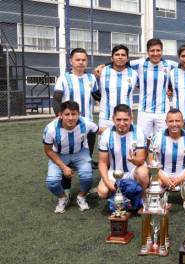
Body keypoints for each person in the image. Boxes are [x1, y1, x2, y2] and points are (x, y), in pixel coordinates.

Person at [53, 48, 100, 190]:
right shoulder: (64, 78)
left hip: (88, 126)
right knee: (66, 160)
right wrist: (60, 119)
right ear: (71, 61)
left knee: (86, 159)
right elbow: (56, 100)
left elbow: (99, 97)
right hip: (69, 126)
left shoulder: (91, 78)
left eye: (83, 60)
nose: (81, 62)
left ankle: (83, 191)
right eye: (77, 59)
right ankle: (66, 190)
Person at [43, 101, 98, 213]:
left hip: (80, 152)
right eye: (67, 114)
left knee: (87, 176)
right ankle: (63, 197)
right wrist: (64, 167)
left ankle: (81, 197)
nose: (70, 118)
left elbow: (99, 130)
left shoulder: (86, 123)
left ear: (79, 114)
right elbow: (48, 151)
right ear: (60, 115)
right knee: (52, 181)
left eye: (74, 114)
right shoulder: (51, 129)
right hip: (59, 154)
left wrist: (119, 130)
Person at [96, 104, 149, 209]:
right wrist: (107, 182)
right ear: (113, 119)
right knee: (102, 192)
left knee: (143, 174)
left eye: (125, 119)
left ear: (131, 119)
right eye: (118, 119)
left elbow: (141, 160)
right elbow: (102, 163)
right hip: (114, 172)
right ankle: (119, 197)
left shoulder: (139, 132)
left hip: (133, 170)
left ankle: (143, 198)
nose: (122, 123)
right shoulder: (106, 134)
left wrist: (134, 160)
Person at [128, 38, 177, 139]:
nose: (155, 53)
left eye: (158, 50)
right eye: (152, 50)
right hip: (144, 111)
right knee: (142, 141)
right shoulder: (140, 63)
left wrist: (170, 87)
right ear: (148, 52)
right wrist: (104, 65)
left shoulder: (169, 64)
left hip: (163, 111)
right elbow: (122, 62)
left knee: (163, 140)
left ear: (162, 51)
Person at [149, 109, 185, 192]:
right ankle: (161, 203)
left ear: (183, 122)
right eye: (171, 121)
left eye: (177, 121)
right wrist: (163, 178)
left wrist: (181, 178)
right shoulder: (157, 138)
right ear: (166, 122)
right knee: (154, 184)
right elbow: (151, 161)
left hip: (183, 173)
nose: (174, 124)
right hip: (163, 174)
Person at [98, 45, 138, 130]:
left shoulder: (134, 73)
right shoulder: (102, 71)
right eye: (117, 54)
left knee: (127, 143)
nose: (120, 57)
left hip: (126, 119)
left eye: (123, 55)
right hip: (106, 118)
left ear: (127, 59)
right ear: (112, 58)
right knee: (105, 143)